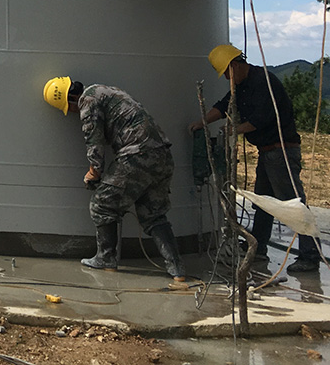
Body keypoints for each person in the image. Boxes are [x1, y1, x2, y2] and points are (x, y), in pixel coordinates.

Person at [189, 44, 321, 274]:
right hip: (268, 152)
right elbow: (223, 106)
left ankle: (310, 256)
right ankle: (258, 247)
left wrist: (234, 130)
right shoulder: (242, 86)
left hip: (281, 151)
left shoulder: (262, 83)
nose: (227, 78)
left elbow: (262, 118)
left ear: (235, 65)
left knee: (293, 203)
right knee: (263, 201)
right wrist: (201, 122)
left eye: (227, 73)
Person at [43, 77, 186, 280]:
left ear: (72, 98)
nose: (73, 112)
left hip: (137, 155)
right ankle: (177, 269)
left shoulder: (88, 100)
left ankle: (106, 258)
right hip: (161, 156)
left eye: (70, 108)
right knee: (154, 215)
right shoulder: (106, 91)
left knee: (101, 205)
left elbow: (94, 141)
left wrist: (94, 172)